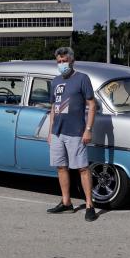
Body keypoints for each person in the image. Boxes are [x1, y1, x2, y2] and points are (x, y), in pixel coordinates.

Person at [46, 47, 97, 221]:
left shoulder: (82, 78)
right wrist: (50, 132)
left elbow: (92, 104)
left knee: (82, 168)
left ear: (72, 61)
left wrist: (88, 129)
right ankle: (66, 203)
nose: (62, 64)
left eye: (64, 61)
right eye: (59, 62)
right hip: (58, 132)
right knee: (61, 167)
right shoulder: (55, 81)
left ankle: (90, 205)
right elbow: (53, 108)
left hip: (76, 132)